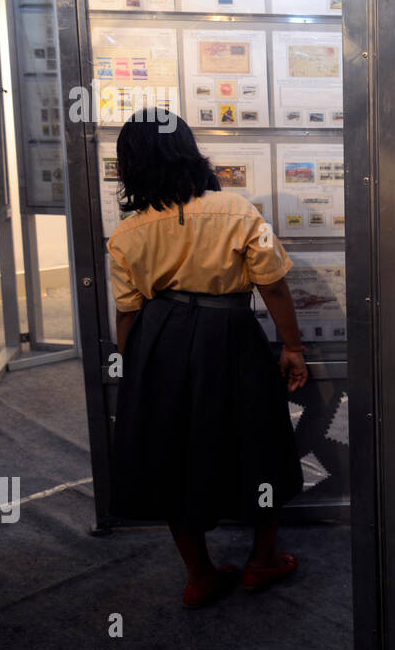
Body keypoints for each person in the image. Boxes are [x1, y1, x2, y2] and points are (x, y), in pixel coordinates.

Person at [106, 110, 309, 609]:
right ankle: (262, 560)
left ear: (131, 165)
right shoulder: (235, 210)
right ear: (188, 150)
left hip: (160, 338)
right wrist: (292, 346)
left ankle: (199, 574)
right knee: (256, 440)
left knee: (169, 449)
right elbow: (273, 284)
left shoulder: (128, 232)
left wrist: (133, 368)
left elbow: (128, 311)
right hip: (230, 333)